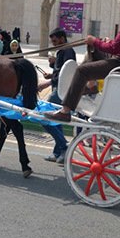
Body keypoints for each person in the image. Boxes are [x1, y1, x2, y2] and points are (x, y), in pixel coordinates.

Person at [46, 0, 120, 123]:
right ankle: (90, 86)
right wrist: (103, 42)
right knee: (94, 50)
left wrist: (94, 41)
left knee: (81, 70)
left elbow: (114, 49)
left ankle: (65, 111)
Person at [38, 28, 76, 161]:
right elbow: (59, 72)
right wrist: (51, 73)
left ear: (62, 39)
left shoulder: (67, 51)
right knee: (55, 120)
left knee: (45, 118)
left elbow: (65, 74)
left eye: (55, 41)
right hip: (58, 87)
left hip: (59, 91)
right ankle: (58, 153)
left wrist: (46, 83)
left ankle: (64, 147)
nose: (53, 44)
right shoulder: (63, 51)